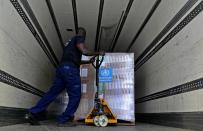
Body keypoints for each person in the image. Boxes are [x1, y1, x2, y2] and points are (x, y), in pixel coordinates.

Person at [25, 27, 104, 126]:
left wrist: (88, 61)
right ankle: (64, 120)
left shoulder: (69, 43)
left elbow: (75, 60)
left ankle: (33, 112)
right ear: (83, 34)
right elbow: (84, 51)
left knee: (52, 93)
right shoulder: (79, 37)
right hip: (70, 70)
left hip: (62, 69)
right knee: (76, 95)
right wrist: (98, 52)